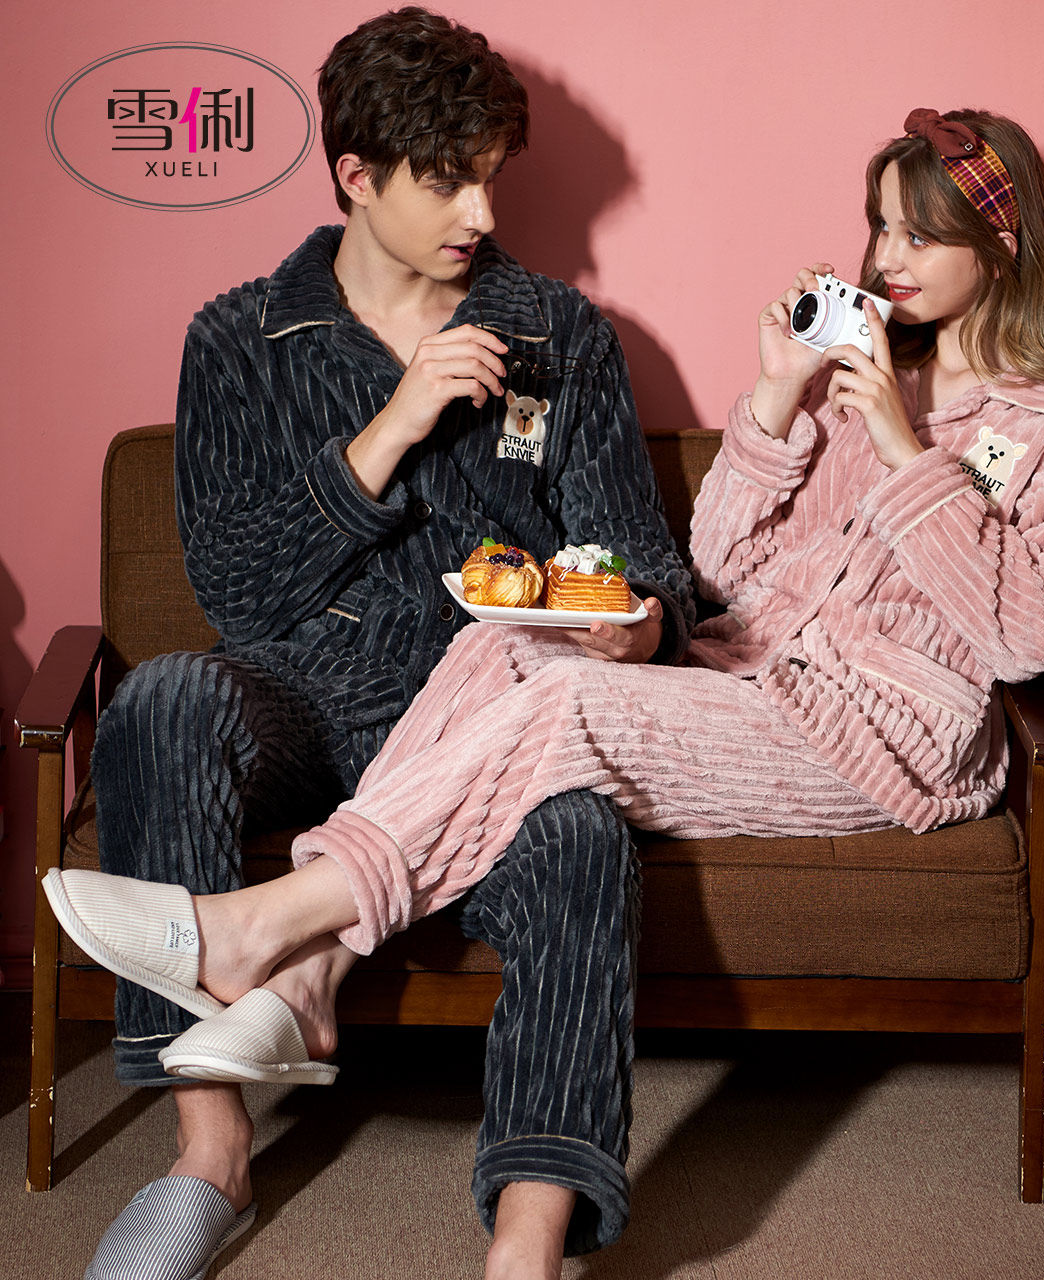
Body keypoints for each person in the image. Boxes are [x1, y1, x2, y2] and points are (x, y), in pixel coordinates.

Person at [50, 104, 1044, 1273]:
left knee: (568, 705)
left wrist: (903, 449)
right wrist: (777, 399)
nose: (884, 260)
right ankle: (308, 979)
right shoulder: (855, 373)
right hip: (755, 682)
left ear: (1001, 242)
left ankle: (269, 928)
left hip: (890, 731)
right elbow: (724, 572)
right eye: (879, 227)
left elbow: (1026, 634)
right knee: (499, 648)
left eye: (918, 235)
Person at [63, 8, 695, 1280]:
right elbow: (238, 592)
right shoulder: (238, 337)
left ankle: (528, 1237)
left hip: (485, 719)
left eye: (490, 177)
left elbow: (647, 563)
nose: (480, 210)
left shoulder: (558, 334)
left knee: (580, 834)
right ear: (354, 174)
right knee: (167, 697)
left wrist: (639, 624)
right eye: (445, 179)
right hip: (303, 696)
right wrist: (391, 426)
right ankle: (208, 1153)